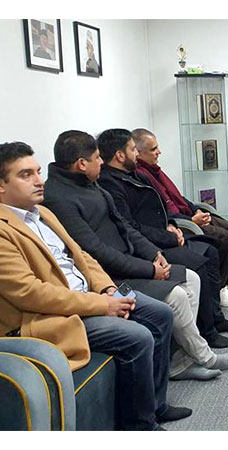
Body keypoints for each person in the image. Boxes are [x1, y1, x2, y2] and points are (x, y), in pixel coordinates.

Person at [0, 142, 189, 430]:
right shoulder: (4, 230)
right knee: (138, 337)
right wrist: (103, 305)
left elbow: (81, 255)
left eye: (38, 172)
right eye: (25, 175)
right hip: (53, 316)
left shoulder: (42, 213)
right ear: (1, 186)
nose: (39, 181)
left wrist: (106, 289)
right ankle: (141, 427)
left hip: (91, 295)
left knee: (161, 313)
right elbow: (30, 293)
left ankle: (156, 405)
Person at [42, 130, 228, 381]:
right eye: (96, 158)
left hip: (133, 260)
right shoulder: (59, 198)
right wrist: (149, 269)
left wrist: (154, 254)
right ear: (82, 164)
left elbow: (124, 226)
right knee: (178, 295)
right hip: (112, 277)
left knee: (192, 278)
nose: (101, 162)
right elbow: (95, 251)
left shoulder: (90, 184)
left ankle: (180, 361)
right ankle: (203, 356)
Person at [96, 128, 228, 349]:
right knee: (200, 262)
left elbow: (160, 206)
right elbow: (130, 227)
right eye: (132, 150)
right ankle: (208, 331)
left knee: (211, 250)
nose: (136, 154)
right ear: (120, 155)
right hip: (149, 246)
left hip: (163, 233)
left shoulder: (133, 174)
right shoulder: (111, 184)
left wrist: (172, 224)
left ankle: (215, 318)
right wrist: (167, 237)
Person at [131, 128, 228, 303]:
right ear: (138, 153)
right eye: (153, 149)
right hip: (181, 222)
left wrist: (195, 209)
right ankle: (220, 288)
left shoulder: (155, 170)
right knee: (223, 237)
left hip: (187, 215)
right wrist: (191, 220)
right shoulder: (141, 176)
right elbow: (161, 210)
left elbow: (177, 197)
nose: (159, 152)